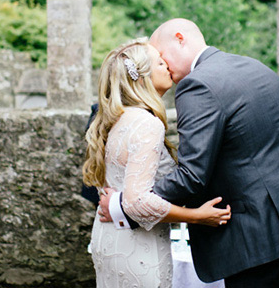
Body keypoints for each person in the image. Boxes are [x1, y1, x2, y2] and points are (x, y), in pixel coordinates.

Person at [99, 19, 279, 288]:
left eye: (161, 55)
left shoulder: (197, 85)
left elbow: (191, 176)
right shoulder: (253, 65)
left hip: (259, 237)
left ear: (180, 39)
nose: (163, 64)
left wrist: (125, 205)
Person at [83, 38, 231, 288]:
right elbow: (137, 201)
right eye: (161, 63)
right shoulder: (146, 123)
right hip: (138, 250)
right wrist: (196, 216)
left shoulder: (114, 118)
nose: (168, 67)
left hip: (108, 240)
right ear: (142, 78)